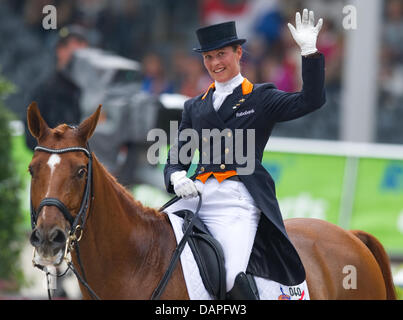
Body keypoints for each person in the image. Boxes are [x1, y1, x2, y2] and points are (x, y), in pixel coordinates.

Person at [163, 9, 325, 300]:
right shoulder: (194, 107)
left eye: (221, 54)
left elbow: (310, 101)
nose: (215, 63)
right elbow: (177, 158)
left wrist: (309, 52)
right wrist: (176, 176)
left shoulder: (260, 97)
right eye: (208, 57)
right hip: (197, 194)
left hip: (236, 200)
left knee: (231, 277)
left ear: (239, 53)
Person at [24, 25, 89, 150]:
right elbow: (31, 134)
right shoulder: (45, 89)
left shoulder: (90, 90)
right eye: (74, 54)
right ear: (60, 50)